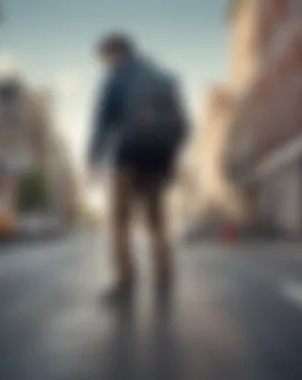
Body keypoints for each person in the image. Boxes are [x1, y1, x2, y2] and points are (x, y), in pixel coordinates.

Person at [87, 32, 188, 299]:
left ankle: (125, 281)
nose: (104, 63)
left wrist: (93, 161)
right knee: (157, 223)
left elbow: (103, 122)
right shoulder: (163, 78)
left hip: (128, 156)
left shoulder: (117, 77)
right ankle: (164, 280)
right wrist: (172, 158)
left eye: (105, 57)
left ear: (115, 52)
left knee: (119, 222)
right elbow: (183, 125)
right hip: (159, 159)